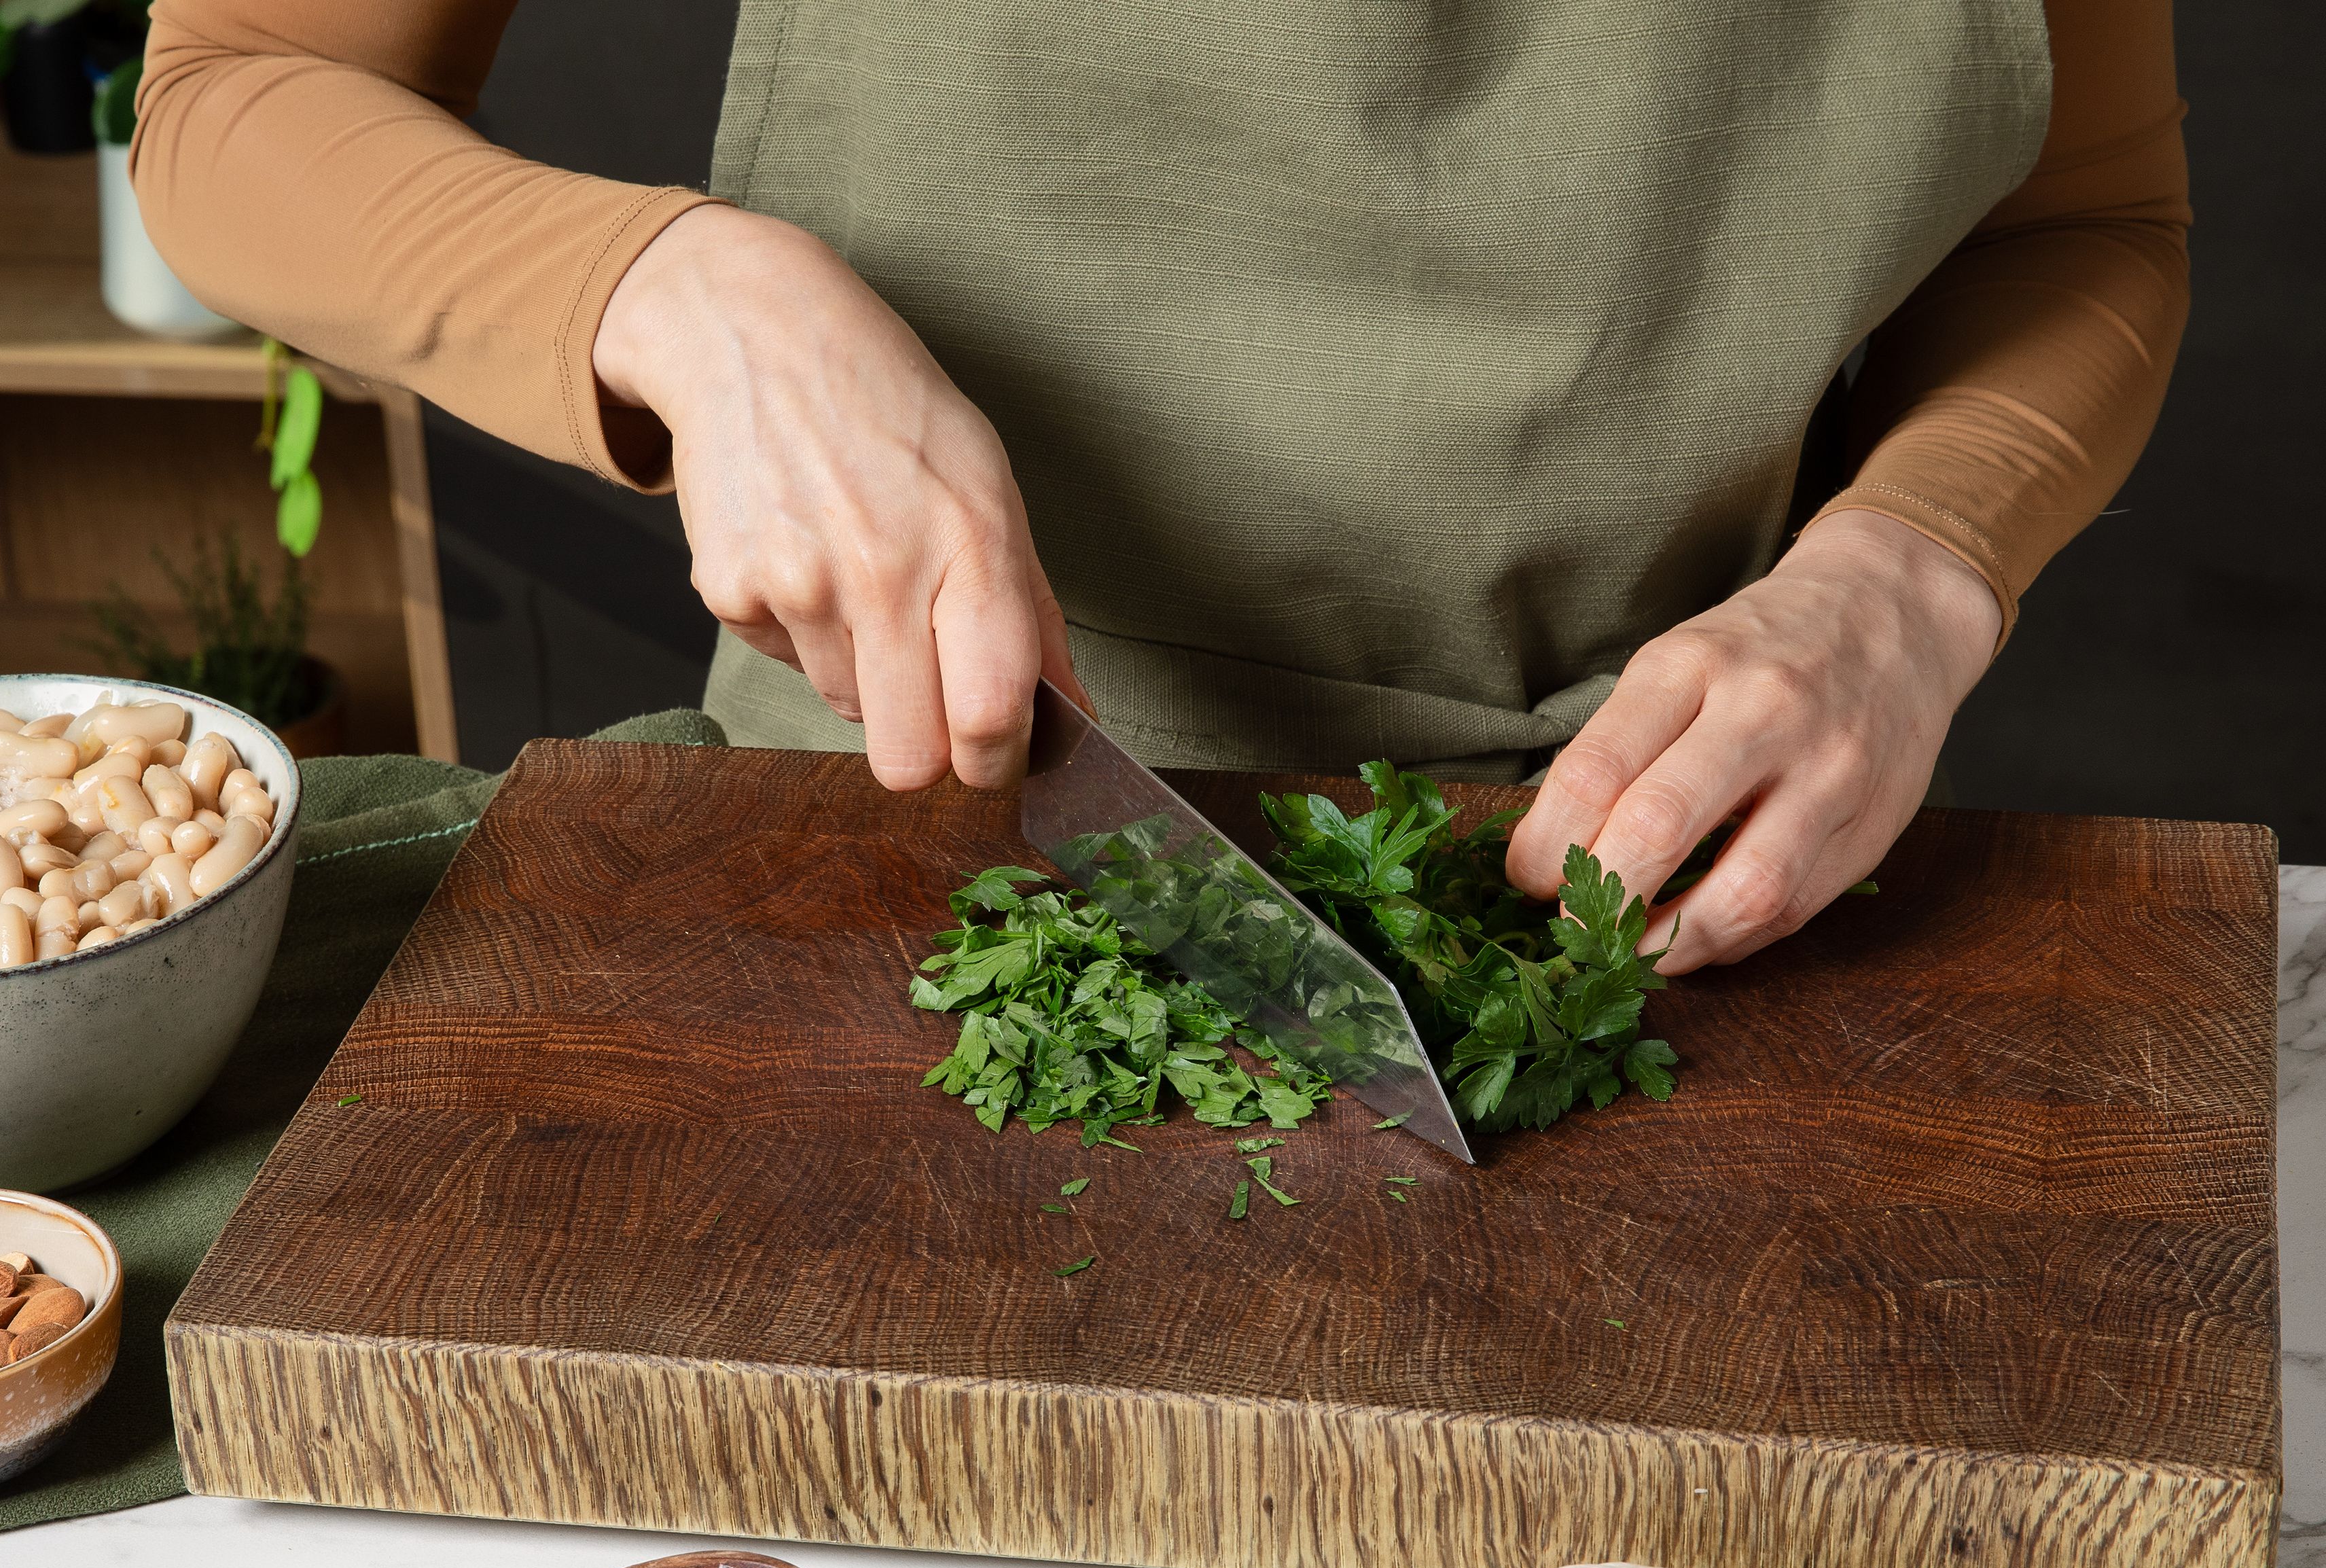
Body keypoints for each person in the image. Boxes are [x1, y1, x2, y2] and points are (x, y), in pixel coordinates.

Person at [134, 0, 2187, 973]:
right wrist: (682, 294)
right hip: (900, 826)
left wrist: (1915, 575)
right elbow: (230, 99)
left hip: (1665, 864)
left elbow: (2079, 217)